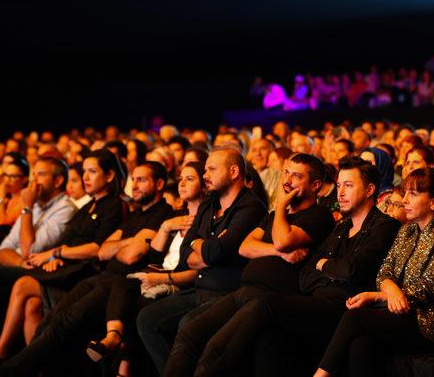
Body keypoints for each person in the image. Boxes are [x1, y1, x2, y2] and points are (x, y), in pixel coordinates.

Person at [175, 157, 400, 376]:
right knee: (240, 336)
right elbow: (306, 275)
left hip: (342, 310)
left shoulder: (383, 226)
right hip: (311, 301)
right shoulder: (341, 228)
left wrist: (323, 265)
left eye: (348, 186)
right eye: (339, 185)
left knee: (261, 307)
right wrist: (325, 267)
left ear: (370, 190)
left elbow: (352, 270)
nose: (340, 193)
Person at [0, 161, 173, 377]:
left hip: (120, 283)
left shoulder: (163, 214)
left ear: (160, 183)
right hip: (102, 276)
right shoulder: (136, 214)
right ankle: (22, 368)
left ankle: (7, 371)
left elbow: (129, 255)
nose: (134, 185)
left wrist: (121, 244)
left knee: (67, 321)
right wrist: (130, 240)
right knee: (53, 319)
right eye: (133, 179)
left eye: (141, 180)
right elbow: (103, 251)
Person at [163, 153, 334, 376]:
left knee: (215, 351)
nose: (288, 180)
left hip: (269, 299)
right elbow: (245, 247)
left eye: (297, 176)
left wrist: (281, 206)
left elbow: (284, 239)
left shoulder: (319, 216)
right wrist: (279, 253)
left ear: (316, 185)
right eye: (286, 173)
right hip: (243, 292)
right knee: (189, 333)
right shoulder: (273, 216)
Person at [314, 168, 434, 377]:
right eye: (405, 192)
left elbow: (428, 289)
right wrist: (390, 290)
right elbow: (385, 270)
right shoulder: (407, 230)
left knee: (355, 318)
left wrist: (379, 296)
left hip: (432, 322)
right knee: (360, 344)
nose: (404, 200)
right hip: (401, 312)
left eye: (413, 194)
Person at [136, 147, 266, 374]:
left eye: (212, 169)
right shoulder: (208, 203)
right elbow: (188, 250)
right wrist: (203, 246)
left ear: (234, 171)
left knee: (188, 325)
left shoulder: (251, 207)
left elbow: (216, 252)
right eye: (204, 170)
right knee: (147, 319)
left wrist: (203, 245)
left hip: (225, 293)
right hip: (197, 289)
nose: (205, 175)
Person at [0, 149, 126, 362]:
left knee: (22, 284)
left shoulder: (113, 205)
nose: (85, 177)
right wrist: (57, 259)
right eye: (84, 171)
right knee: (31, 305)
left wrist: (55, 253)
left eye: (92, 171)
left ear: (109, 176)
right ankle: (35, 368)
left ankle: (1, 355)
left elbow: (97, 248)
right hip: (65, 267)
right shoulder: (89, 206)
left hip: (85, 274)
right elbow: (6, 248)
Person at [85, 162, 206, 376]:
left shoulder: (205, 221)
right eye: (180, 179)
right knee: (121, 283)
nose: (182, 184)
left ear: (204, 185)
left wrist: (163, 278)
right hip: (157, 271)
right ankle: (113, 338)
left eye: (190, 179)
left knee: (136, 309)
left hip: (178, 282)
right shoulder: (175, 215)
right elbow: (155, 254)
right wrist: (167, 226)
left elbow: (195, 269)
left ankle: (124, 366)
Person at [0, 155, 29, 238]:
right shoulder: (7, 197)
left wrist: (0, 200)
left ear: (24, 179)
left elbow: (1, 228)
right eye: (5, 175)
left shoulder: (23, 201)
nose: (7, 180)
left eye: (12, 176)